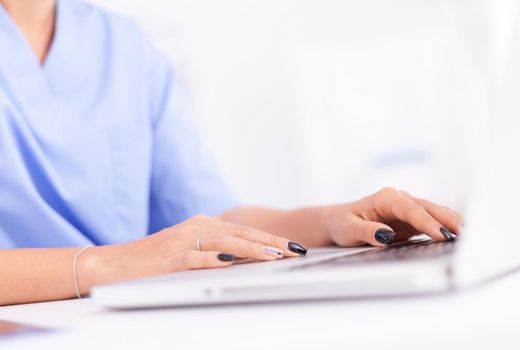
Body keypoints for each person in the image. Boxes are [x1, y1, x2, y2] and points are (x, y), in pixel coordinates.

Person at [0, 0, 462, 306]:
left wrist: (333, 224)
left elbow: (210, 218)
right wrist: (109, 264)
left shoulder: (122, 44)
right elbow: (143, 255)